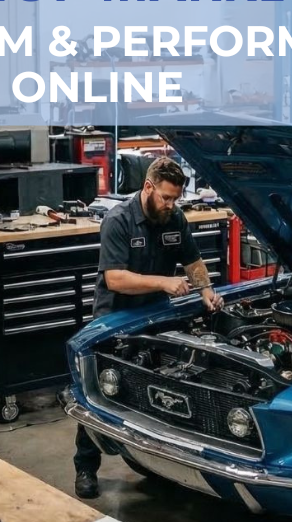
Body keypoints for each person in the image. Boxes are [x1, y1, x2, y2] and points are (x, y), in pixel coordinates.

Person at [73, 157, 224, 499]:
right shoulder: (119, 220)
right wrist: (164, 283)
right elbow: (115, 278)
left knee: (157, 386)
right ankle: (85, 466)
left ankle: (157, 458)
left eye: (176, 199)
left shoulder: (175, 217)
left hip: (156, 316)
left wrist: (206, 291)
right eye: (166, 198)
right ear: (148, 187)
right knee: (100, 392)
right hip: (114, 318)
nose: (171, 205)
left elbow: (192, 259)